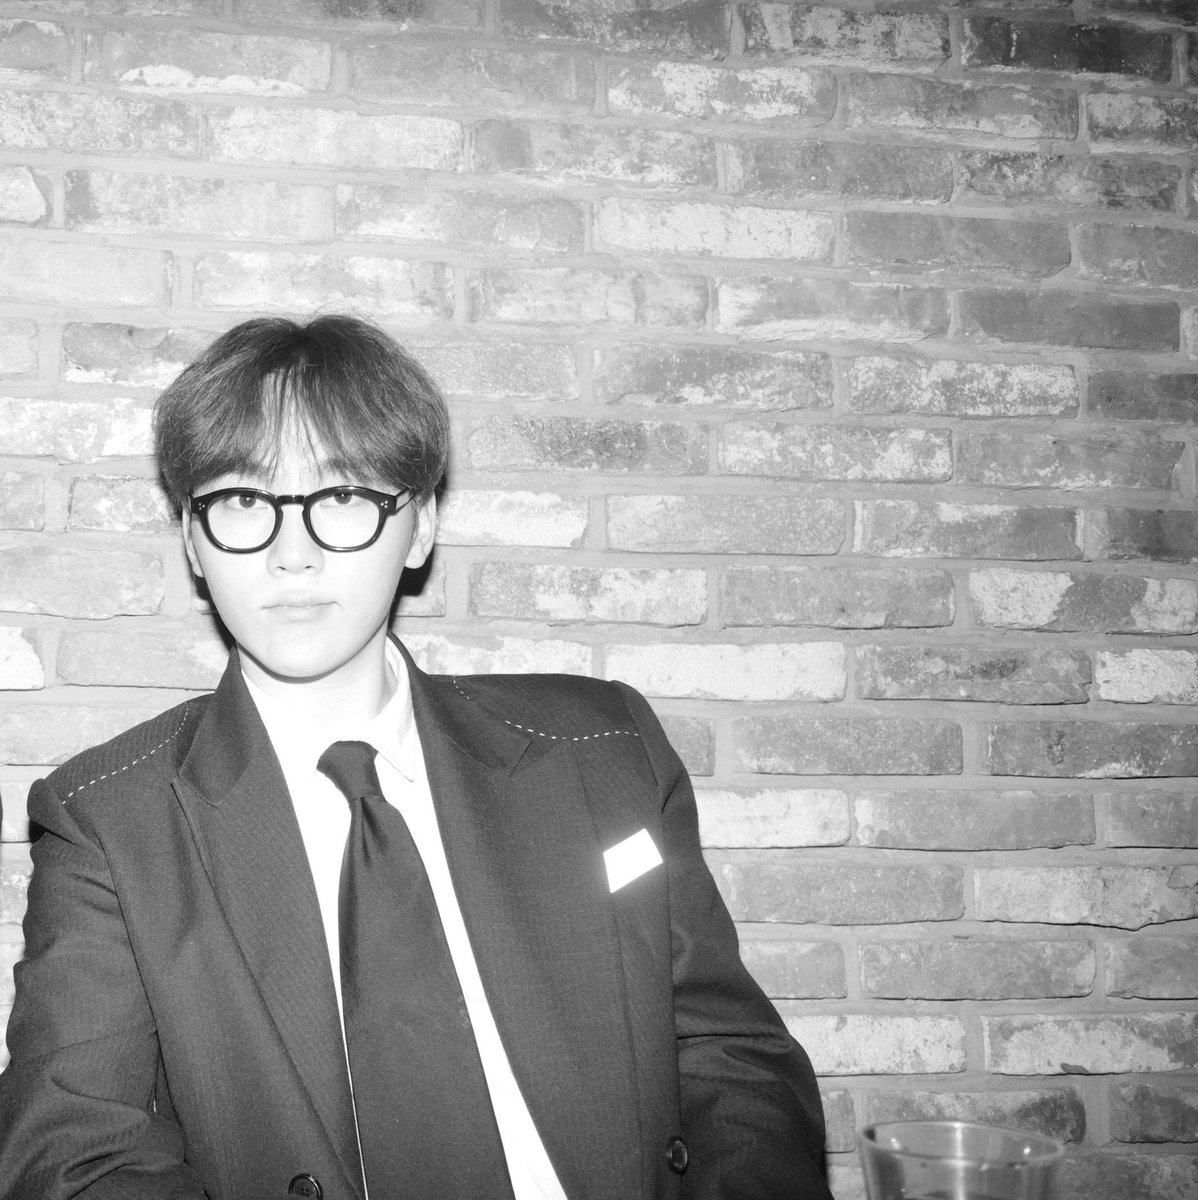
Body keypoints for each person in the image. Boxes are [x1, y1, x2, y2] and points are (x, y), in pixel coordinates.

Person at [0, 314, 832, 1200]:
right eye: (242, 501)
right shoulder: (110, 826)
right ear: (193, 543)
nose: (291, 554)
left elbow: (728, 1057)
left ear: (422, 528)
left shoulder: (604, 756)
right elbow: (76, 1160)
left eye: (343, 497)